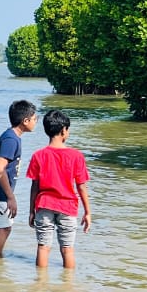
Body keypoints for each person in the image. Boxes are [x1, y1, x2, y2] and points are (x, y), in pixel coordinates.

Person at [26, 110, 92, 269]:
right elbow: (81, 186)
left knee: (43, 247)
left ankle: (40, 286)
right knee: (67, 249)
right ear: (64, 131)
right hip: (68, 207)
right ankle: (68, 288)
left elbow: (34, 186)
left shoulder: (38, 155)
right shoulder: (76, 156)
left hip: (44, 205)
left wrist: (31, 211)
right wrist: (88, 212)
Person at [0, 100, 39, 257]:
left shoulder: (13, 137)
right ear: (25, 121)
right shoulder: (11, 139)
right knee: (4, 228)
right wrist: (11, 197)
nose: (36, 121)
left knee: (1, 226)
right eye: (34, 118)